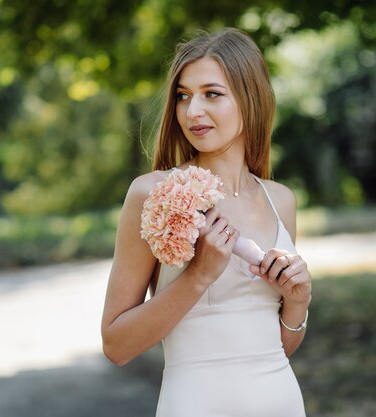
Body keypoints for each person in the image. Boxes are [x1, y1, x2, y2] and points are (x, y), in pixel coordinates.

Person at [101, 27, 312, 417]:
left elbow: (277, 350)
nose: (192, 111)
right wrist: (198, 275)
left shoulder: (280, 200)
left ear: (251, 99)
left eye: (211, 94)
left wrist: (297, 302)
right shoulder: (153, 194)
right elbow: (116, 345)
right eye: (183, 96)